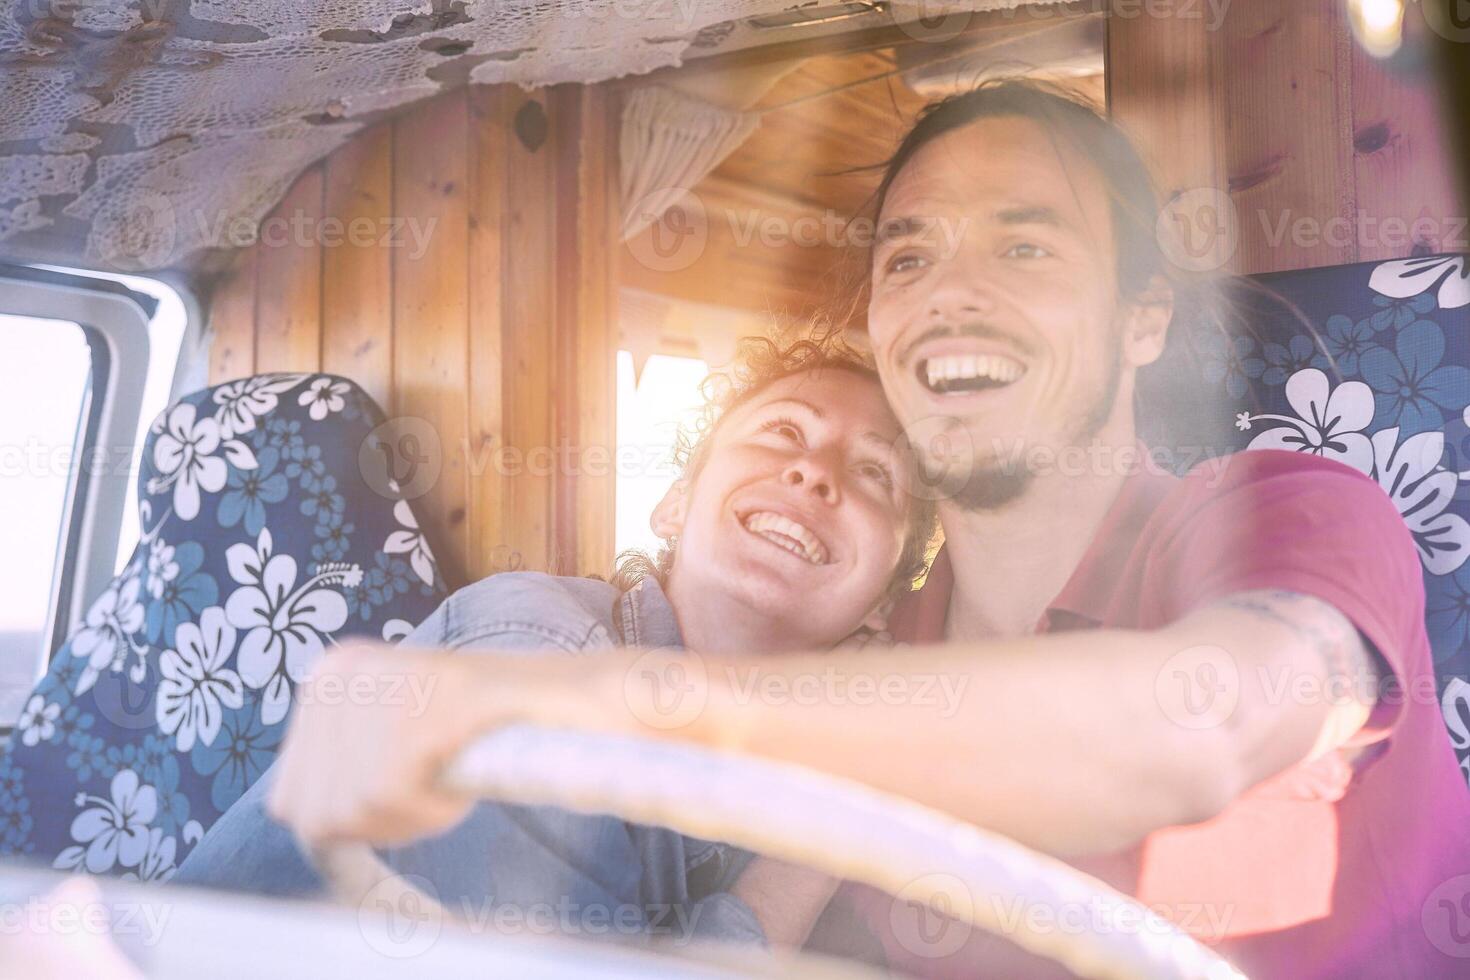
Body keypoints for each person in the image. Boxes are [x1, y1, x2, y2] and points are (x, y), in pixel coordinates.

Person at [260, 81, 1470, 978]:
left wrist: (557, 715)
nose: (951, 290)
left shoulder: (1281, 509)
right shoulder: (867, 671)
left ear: (1142, 317)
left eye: (1026, 243)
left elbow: (1200, 725)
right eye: (909, 254)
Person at [170, 333, 935, 952]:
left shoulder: (780, 774)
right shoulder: (536, 647)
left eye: (875, 472)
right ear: (674, 506)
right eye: (783, 432)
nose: (814, 471)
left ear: (882, 604)